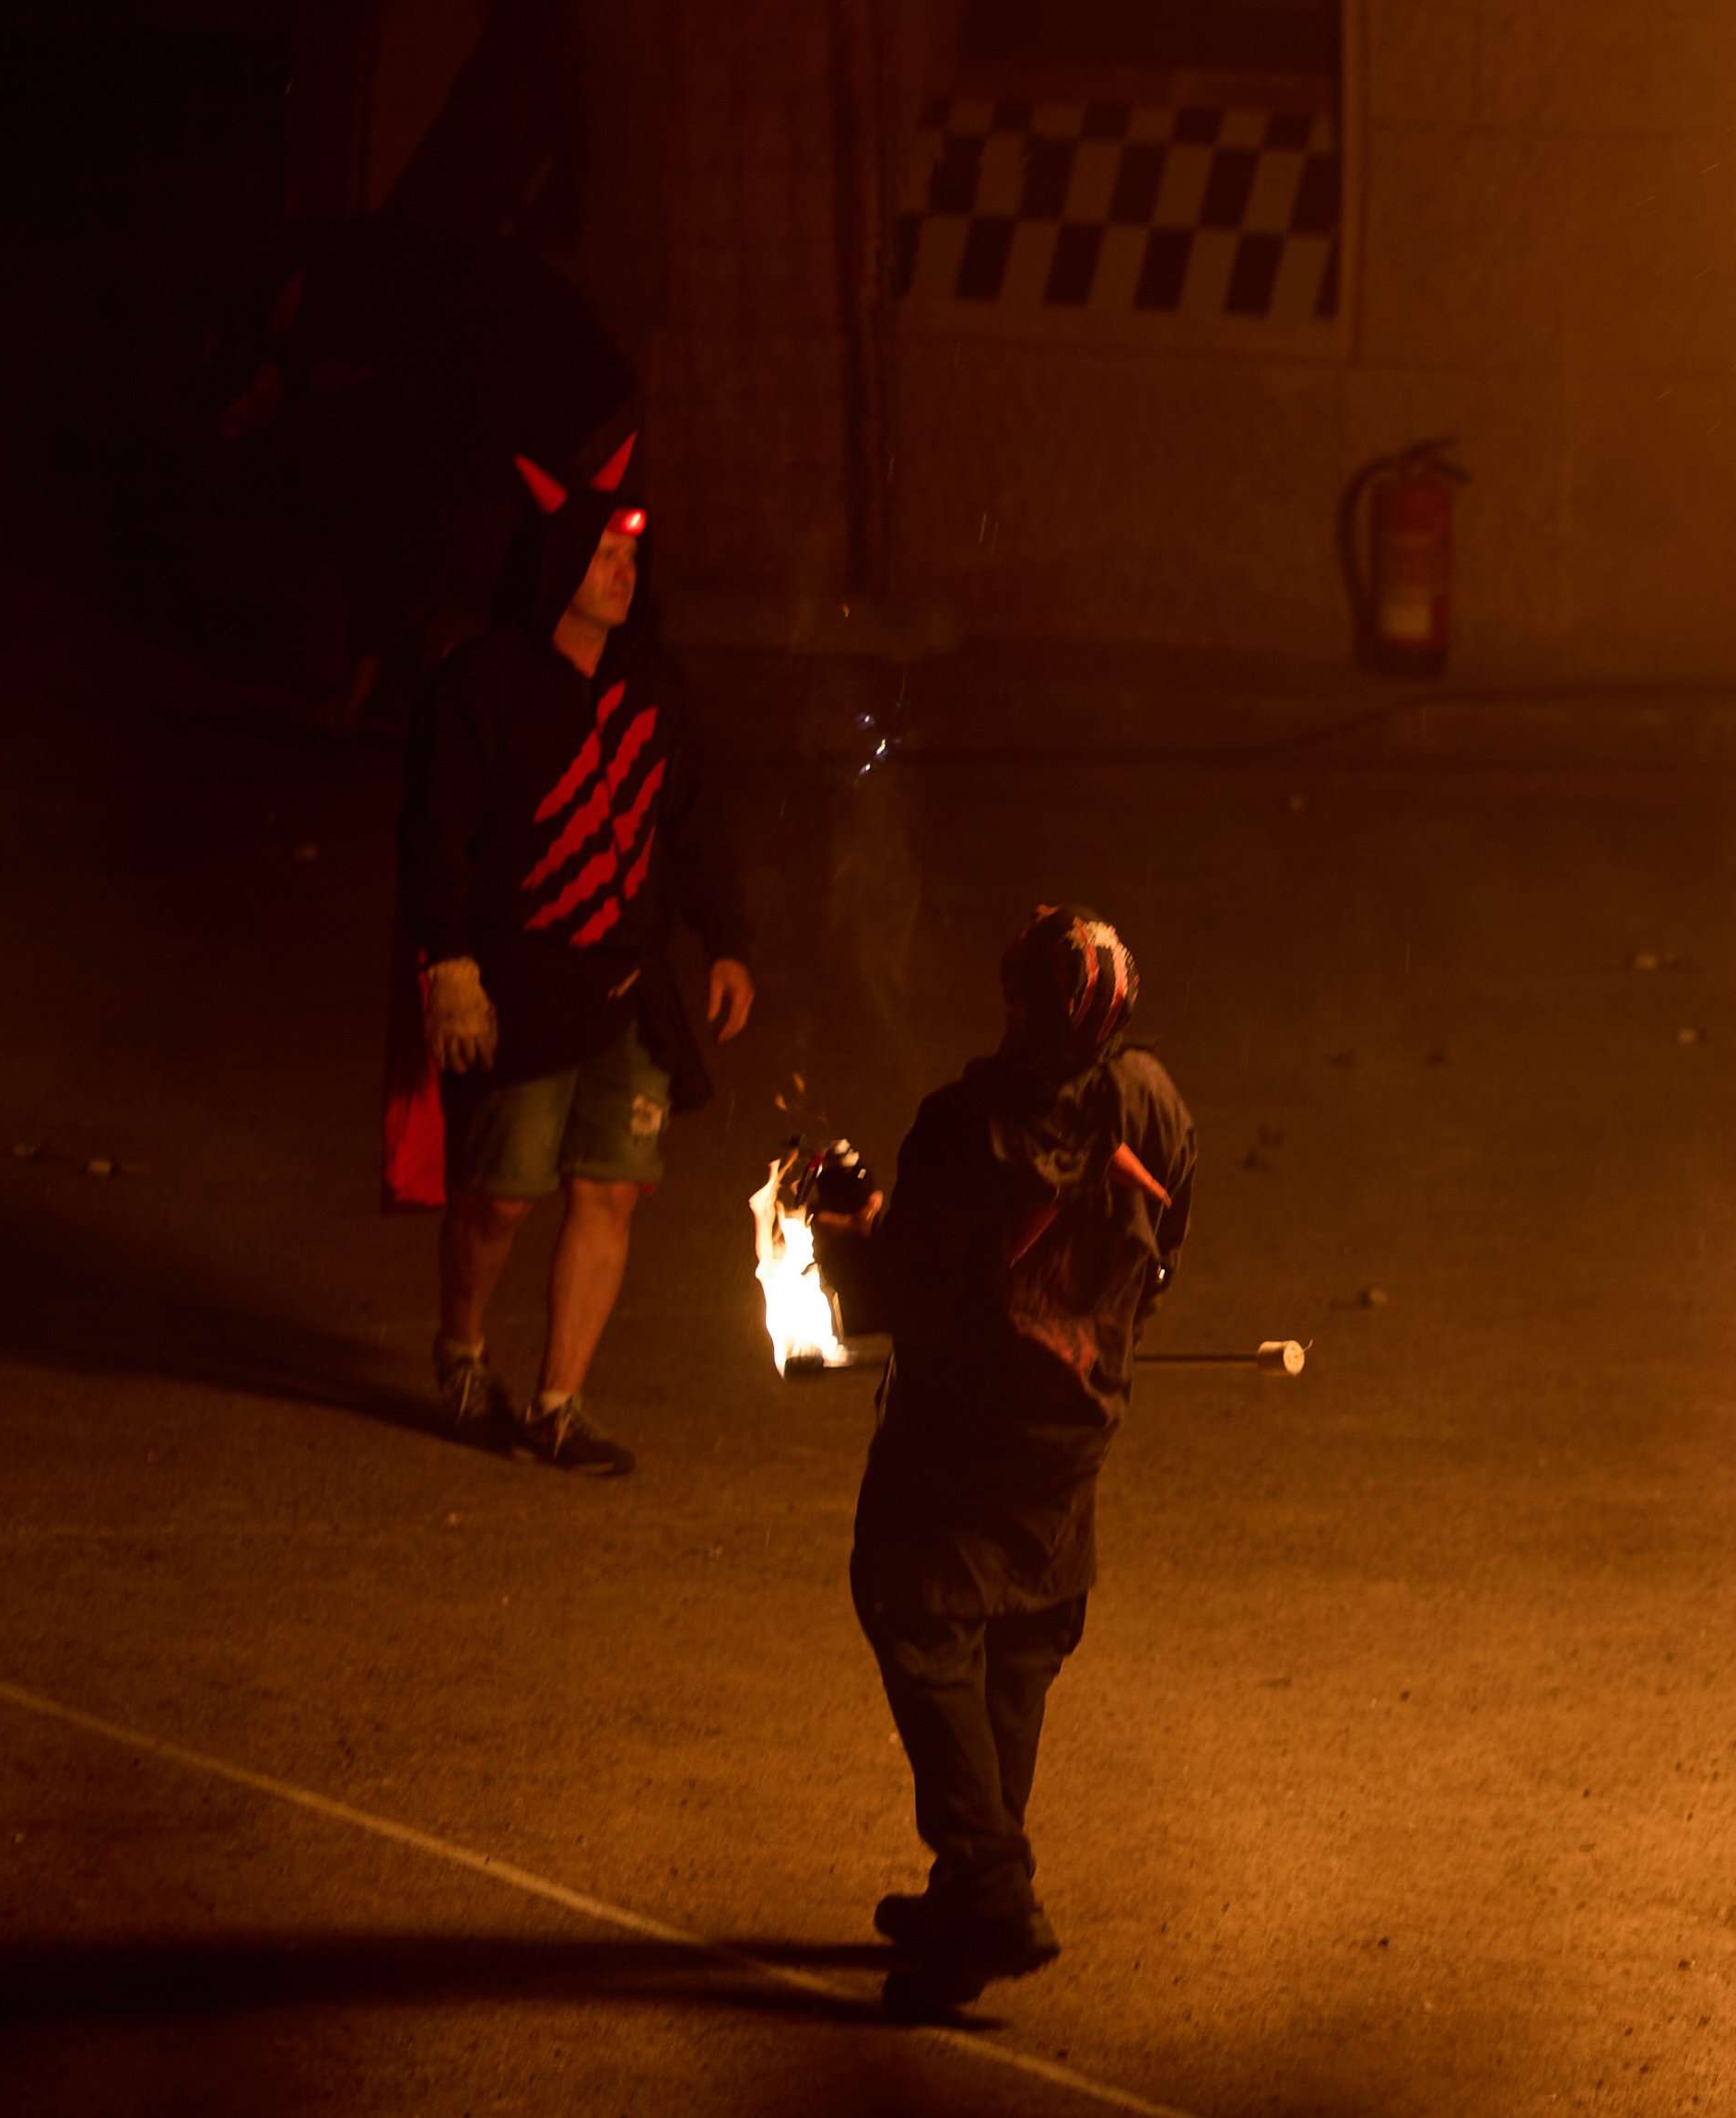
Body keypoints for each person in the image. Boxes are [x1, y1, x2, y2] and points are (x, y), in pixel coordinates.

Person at [829, 906, 1197, 2016]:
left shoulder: (961, 1125)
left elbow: (893, 1294)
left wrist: (850, 1224)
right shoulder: (1155, 1102)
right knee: (1022, 1635)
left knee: (917, 1610)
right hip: (1074, 1425)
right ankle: (966, 1888)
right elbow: (1165, 1251)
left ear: (1024, 1005)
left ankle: (989, 1881)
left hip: (960, 1426)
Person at [398, 435, 754, 1477]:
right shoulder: (485, 683)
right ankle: (463, 1356)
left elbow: (693, 821)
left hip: (631, 984)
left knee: (607, 1189)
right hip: (522, 982)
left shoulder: (655, 684)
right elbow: (435, 834)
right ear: (556, 567)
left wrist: (727, 938)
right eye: (602, 555)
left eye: (631, 559)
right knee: (500, 1198)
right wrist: (450, 967)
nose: (622, 573)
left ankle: (559, 1403)